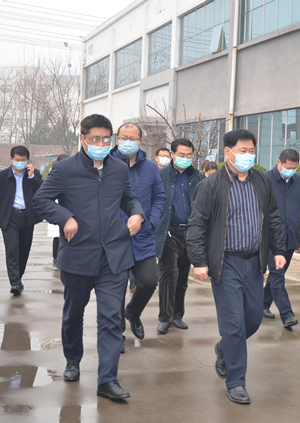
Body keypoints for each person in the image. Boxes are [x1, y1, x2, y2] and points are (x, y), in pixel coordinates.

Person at [32, 114, 144, 401]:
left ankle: (107, 380)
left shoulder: (118, 168)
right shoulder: (64, 170)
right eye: (95, 139)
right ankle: (73, 360)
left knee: (111, 319)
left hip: (114, 257)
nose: (101, 145)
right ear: (82, 138)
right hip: (79, 255)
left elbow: (128, 198)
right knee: (73, 314)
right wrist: (65, 217)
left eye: (106, 140)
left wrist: (136, 213)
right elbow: (41, 199)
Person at [186, 129, 286, 405]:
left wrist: (278, 250)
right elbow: (197, 225)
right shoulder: (211, 186)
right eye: (243, 151)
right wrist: (199, 261)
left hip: (254, 262)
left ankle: (224, 349)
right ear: (227, 153)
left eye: (252, 151)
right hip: (225, 262)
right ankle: (236, 382)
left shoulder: (262, 182)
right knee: (233, 325)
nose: (248, 155)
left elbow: (273, 217)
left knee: (252, 320)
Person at [110, 123, 165, 346]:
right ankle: (117, 334)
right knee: (116, 289)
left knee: (149, 281)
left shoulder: (150, 168)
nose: (128, 142)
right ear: (117, 139)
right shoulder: (107, 164)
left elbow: (159, 197)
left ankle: (133, 312)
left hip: (143, 237)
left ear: (140, 141)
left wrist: (151, 222)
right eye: (124, 137)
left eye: (132, 138)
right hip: (114, 238)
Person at [154, 138, 204, 334]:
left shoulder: (198, 177)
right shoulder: (161, 176)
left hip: (190, 232)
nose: (185, 158)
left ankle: (177, 315)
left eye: (189, 155)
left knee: (183, 276)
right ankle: (164, 317)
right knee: (168, 274)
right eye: (181, 155)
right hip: (169, 231)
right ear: (173, 155)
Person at [262, 149, 300, 327]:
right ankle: (287, 315)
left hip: (290, 235)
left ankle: (262, 304)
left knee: (278, 274)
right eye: (288, 167)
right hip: (270, 237)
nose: (291, 171)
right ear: (279, 163)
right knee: (277, 275)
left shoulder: (299, 181)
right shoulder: (265, 180)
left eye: (294, 168)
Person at [0, 146, 43, 296]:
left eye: (23, 160)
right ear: (11, 159)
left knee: (24, 252)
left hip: (27, 217)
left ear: (28, 160)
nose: (20, 163)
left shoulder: (34, 174)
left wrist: (32, 176)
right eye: (17, 160)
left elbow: (42, 191)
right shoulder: (1, 176)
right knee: (12, 251)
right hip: (10, 217)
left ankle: (18, 277)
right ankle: (15, 282)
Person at [46, 154, 70, 270]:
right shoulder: (54, 173)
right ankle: (56, 258)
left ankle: (64, 259)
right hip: (56, 207)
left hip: (68, 208)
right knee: (57, 236)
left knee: (66, 236)